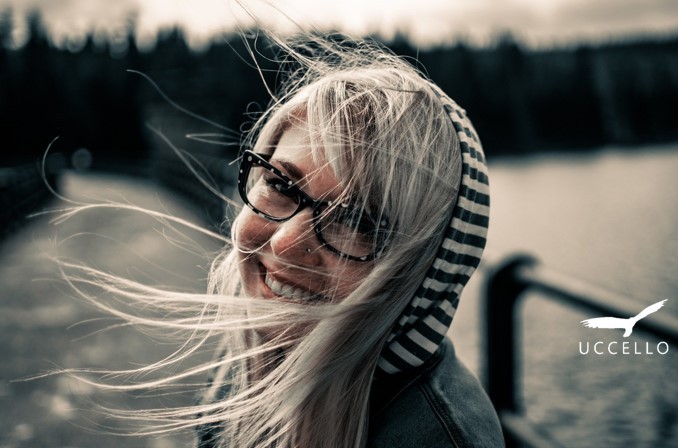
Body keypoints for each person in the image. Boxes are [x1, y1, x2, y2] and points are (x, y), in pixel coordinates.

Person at [64, 35, 503, 448]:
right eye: (280, 184)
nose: (289, 241)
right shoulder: (251, 349)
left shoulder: (435, 439)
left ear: (426, 273)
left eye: (355, 221)